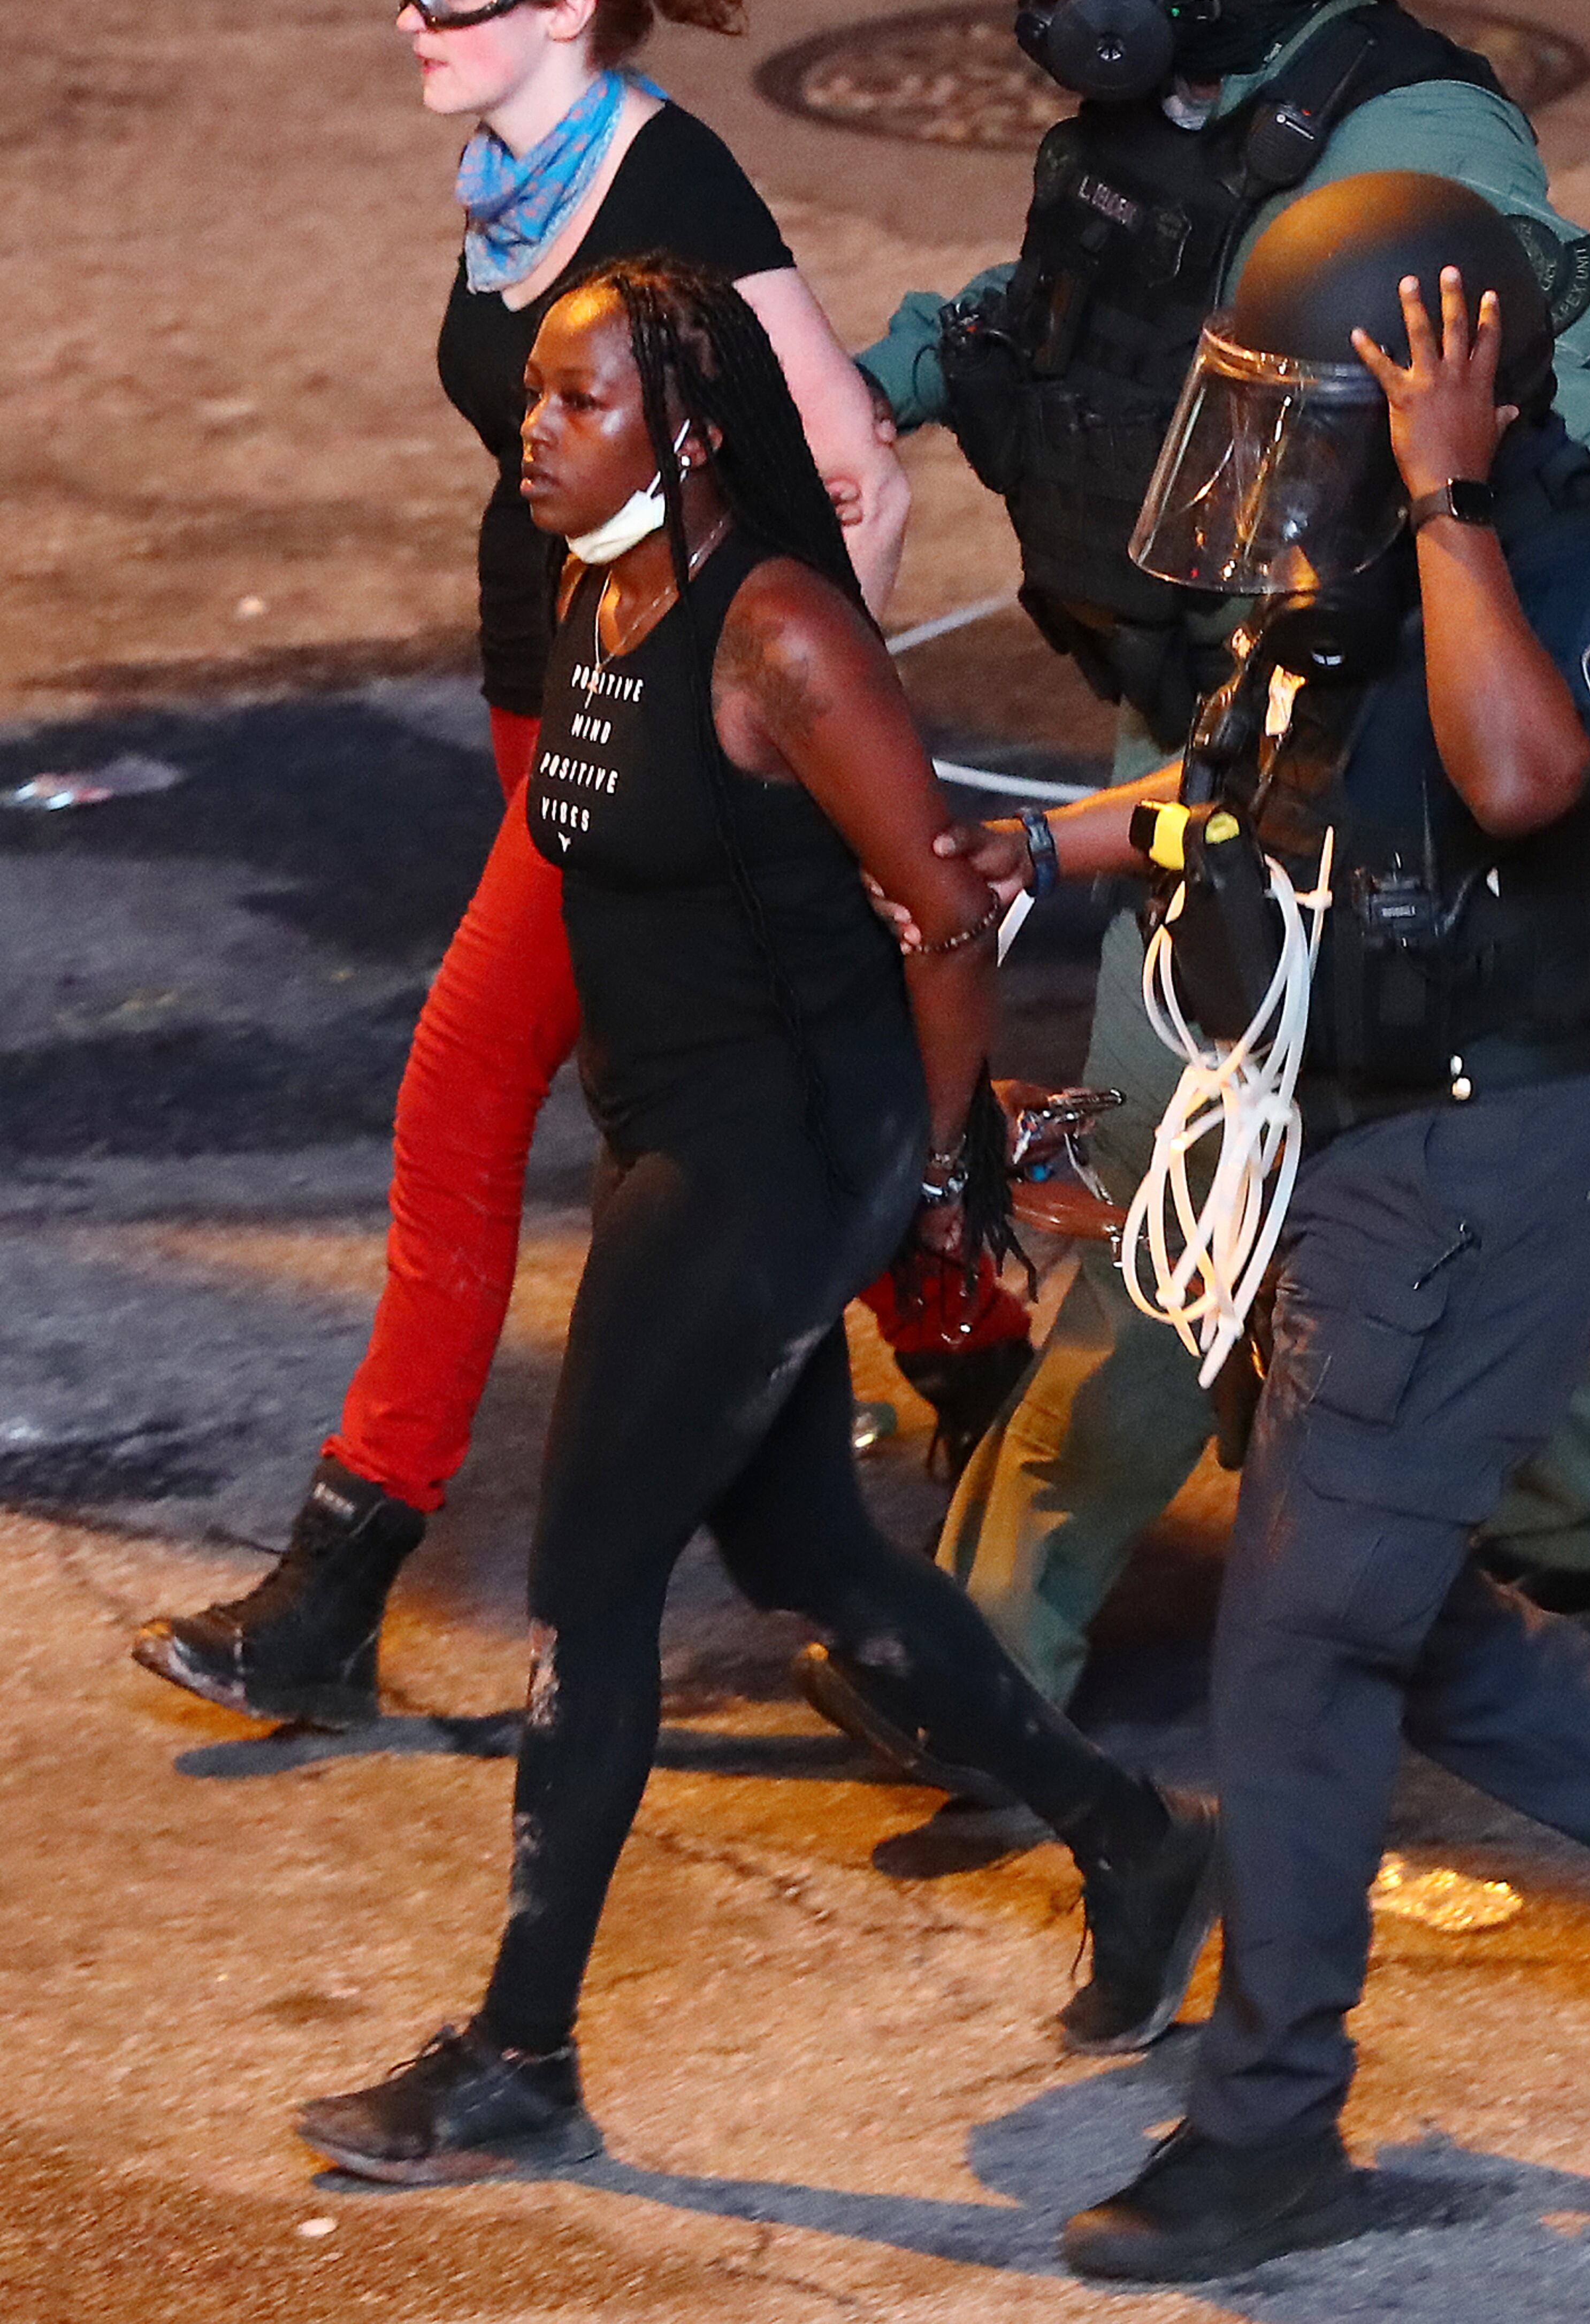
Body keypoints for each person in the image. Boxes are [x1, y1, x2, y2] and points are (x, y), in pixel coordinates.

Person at [922, 172, 1590, 2283]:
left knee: (1298, 1637)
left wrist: (1453, 505)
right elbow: (1241, 790)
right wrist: (1040, 851)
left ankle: (1271, 2120)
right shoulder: (1335, 571)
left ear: (1432, 405)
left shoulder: (1568, 564)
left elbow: (1525, 775)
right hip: (1340, 1140)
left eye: (1313, 418)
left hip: (1504, 1152)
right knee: (1388, 1605)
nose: (1268, 470)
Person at [836, 0, 1590, 1797]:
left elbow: (1500, 355)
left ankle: (991, 1644)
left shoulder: (1412, 158)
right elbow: (1087, 313)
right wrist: (894, 375)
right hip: (1234, 677)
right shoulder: (1179, 117)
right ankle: (1586, 1516)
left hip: (1375, 709)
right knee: (1376, 1098)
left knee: (1177, 1180)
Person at [292, 257, 1217, 2181]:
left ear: (688, 426)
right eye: (538, 401)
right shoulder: (597, 591)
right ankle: (1134, 1838)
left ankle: (522, 2052)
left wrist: (937, 1177)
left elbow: (953, 913)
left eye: (576, 402)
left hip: (783, 1160)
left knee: (595, 1581)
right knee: (807, 1542)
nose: (533, 435)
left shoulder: (780, 639)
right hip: (678, 1142)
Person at [131, 0, 1022, 1728]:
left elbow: (861, 469)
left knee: (462, 1096)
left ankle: (336, 1581)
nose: (408, 19)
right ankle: (981, 1361)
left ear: (567, 7)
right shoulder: (510, 174)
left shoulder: (666, 188)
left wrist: (769, 727)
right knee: (708, 1098)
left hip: (651, 730)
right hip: (551, 700)